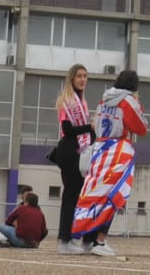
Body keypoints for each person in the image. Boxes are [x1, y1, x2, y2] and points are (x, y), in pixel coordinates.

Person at [73, 68, 146, 258]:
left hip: (99, 149)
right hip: (117, 151)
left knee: (93, 194)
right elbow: (141, 127)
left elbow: (96, 124)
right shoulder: (128, 101)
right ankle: (100, 240)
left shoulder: (103, 99)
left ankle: (87, 238)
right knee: (113, 197)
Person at [54, 64, 96, 255]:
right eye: (79, 76)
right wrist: (90, 127)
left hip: (81, 151)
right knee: (71, 195)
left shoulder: (82, 101)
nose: (82, 79)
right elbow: (68, 129)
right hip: (69, 150)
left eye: (85, 76)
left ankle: (80, 238)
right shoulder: (67, 100)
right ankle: (65, 240)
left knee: (81, 196)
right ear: (72, 78)